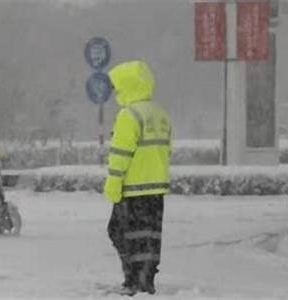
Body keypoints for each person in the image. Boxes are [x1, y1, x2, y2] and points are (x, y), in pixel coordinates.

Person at [104, 61, 172, 296]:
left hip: (133, 188)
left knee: (121, 232)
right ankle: (146, 278)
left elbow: (120, 154)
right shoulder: (160, 113)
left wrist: (113, 183)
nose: (116, 91)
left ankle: (134, 279)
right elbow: (167, 150)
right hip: (156, 188)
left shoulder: (129, 115)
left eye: (118, 86)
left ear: (127, 85)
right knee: (150, 235)